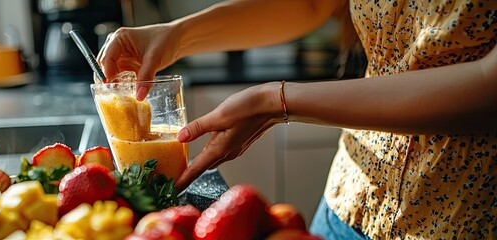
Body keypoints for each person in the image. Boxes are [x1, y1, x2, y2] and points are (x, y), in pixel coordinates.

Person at [96, 0, 497, 239]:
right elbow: (312, 3)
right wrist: (176, 34)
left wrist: (276, 102)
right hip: (347, 205)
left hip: (459, 219)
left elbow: (487, 86)